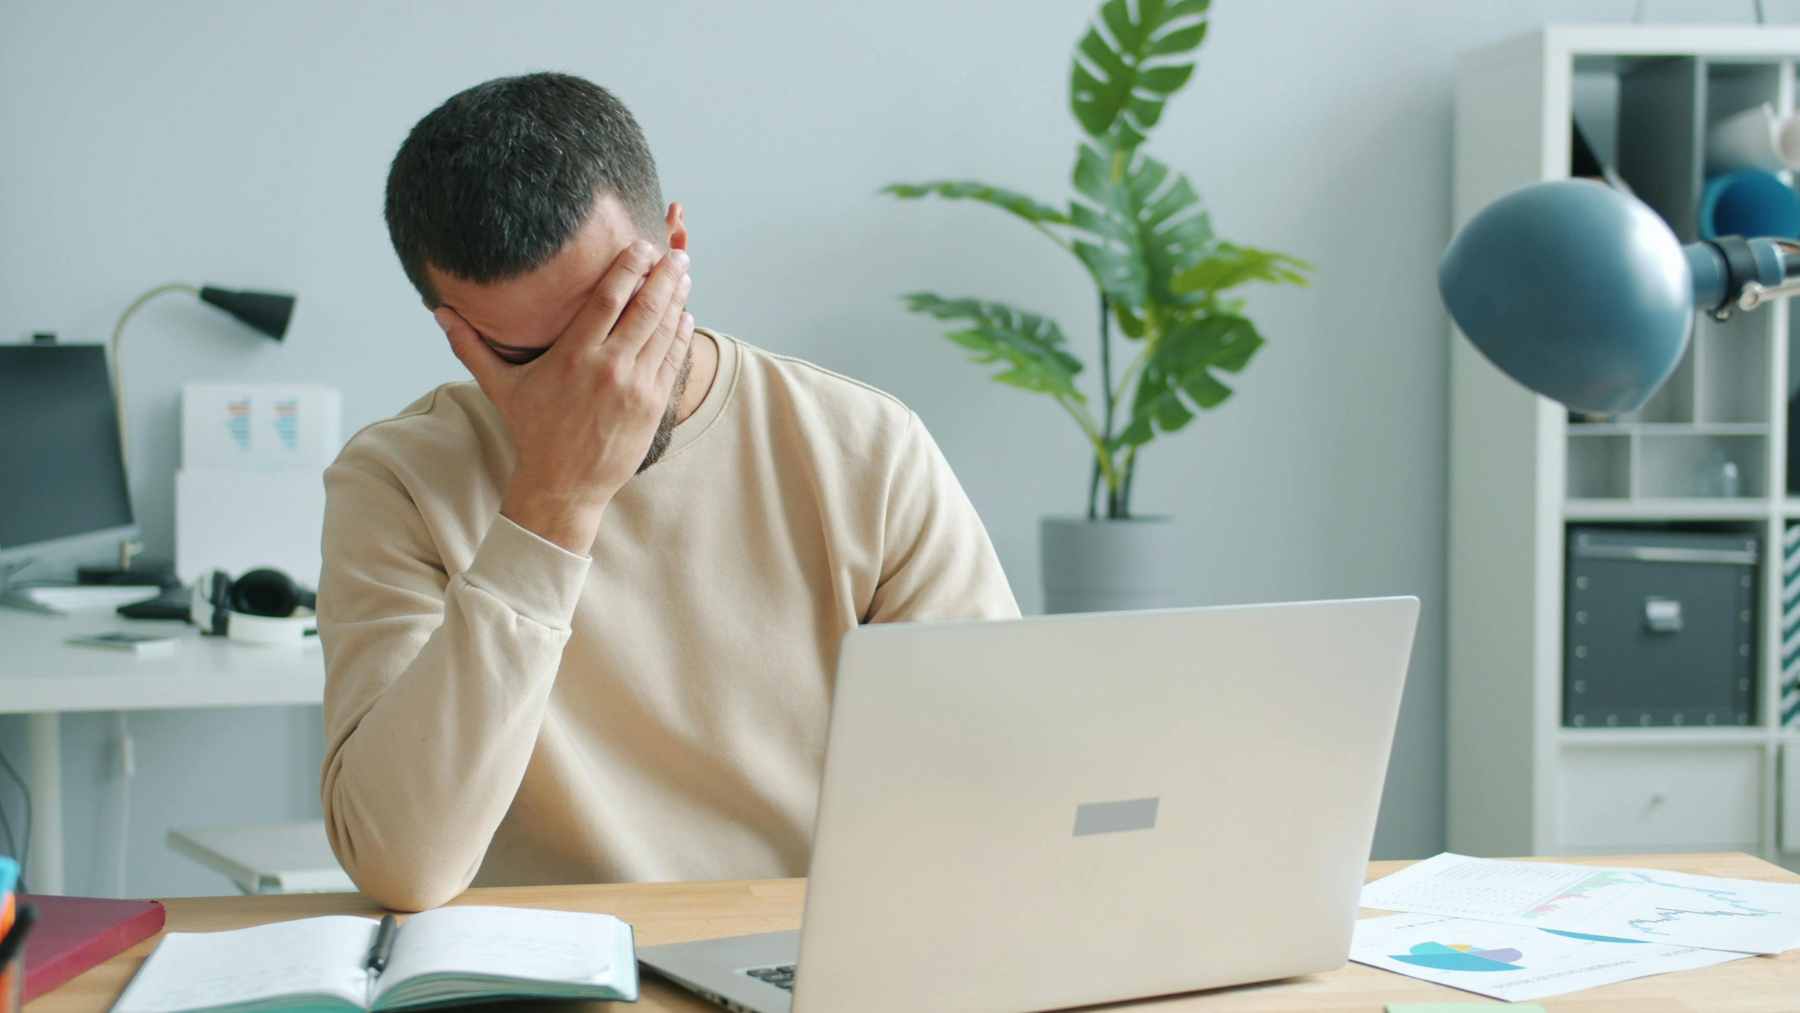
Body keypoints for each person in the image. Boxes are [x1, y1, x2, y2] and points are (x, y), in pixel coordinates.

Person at [317, 72, 1019, 911]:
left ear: (675, 248)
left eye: (617, 318)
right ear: (456, 331)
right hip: (550, 966)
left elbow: (998, 788)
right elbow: (405, 864)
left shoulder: (865, 447)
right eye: (530, 358)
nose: (597, 380)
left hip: (802, 951)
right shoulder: (396, 482)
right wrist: (554, 500)